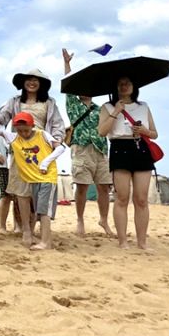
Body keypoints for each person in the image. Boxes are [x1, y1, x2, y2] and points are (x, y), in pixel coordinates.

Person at [0, 69, 65, 239]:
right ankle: (24, 228)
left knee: (38, 191)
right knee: (21, 191)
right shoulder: (15, 101)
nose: (32, 83)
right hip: (20, 148)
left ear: (41, 83)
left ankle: (33, 227)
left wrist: (57, 140)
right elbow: (2, 119)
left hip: (42, 147)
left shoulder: (49, 102)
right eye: (28, 79)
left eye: (36, 80)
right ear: (23, 83)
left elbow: (57, 124)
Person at [0, 111, 66, 250]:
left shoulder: (42, 134)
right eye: (20, 130)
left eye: (26, 130)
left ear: (32, 126)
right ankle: (40, 237)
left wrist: (45, 163)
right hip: (33, 179)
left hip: (47, 177)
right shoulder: (14, 138)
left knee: (43, 211)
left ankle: (46, 242)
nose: (23, 133)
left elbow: (60, 148)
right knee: (38, 209)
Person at [98, 76, 158, 250]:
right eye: (120, 84)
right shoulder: (107, 107)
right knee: (122, 198)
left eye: (128, 83)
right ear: (115, 87)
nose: (124, 86)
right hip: (119, 148)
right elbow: (102, 131)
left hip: (141, 148)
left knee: (141, 199)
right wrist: (116, 111)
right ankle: (122, 242)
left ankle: (142, 242)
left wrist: (144, 130)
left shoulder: (143, 106)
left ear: (134, 86)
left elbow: (154, 133)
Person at [62, 49, 114, 237]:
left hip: (100, 149)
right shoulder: (73, 104)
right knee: (82, 186)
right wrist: (67, 64)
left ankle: (104, 220)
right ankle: (80, 220)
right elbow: (67, 86)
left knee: (104, 186)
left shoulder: (100, 108)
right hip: (81, 148)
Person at [0, 133, 17, 232]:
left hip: (19, 164)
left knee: (19, 197)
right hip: (3, 165)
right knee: (4, 195)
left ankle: (18, 226)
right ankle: (2, 226)